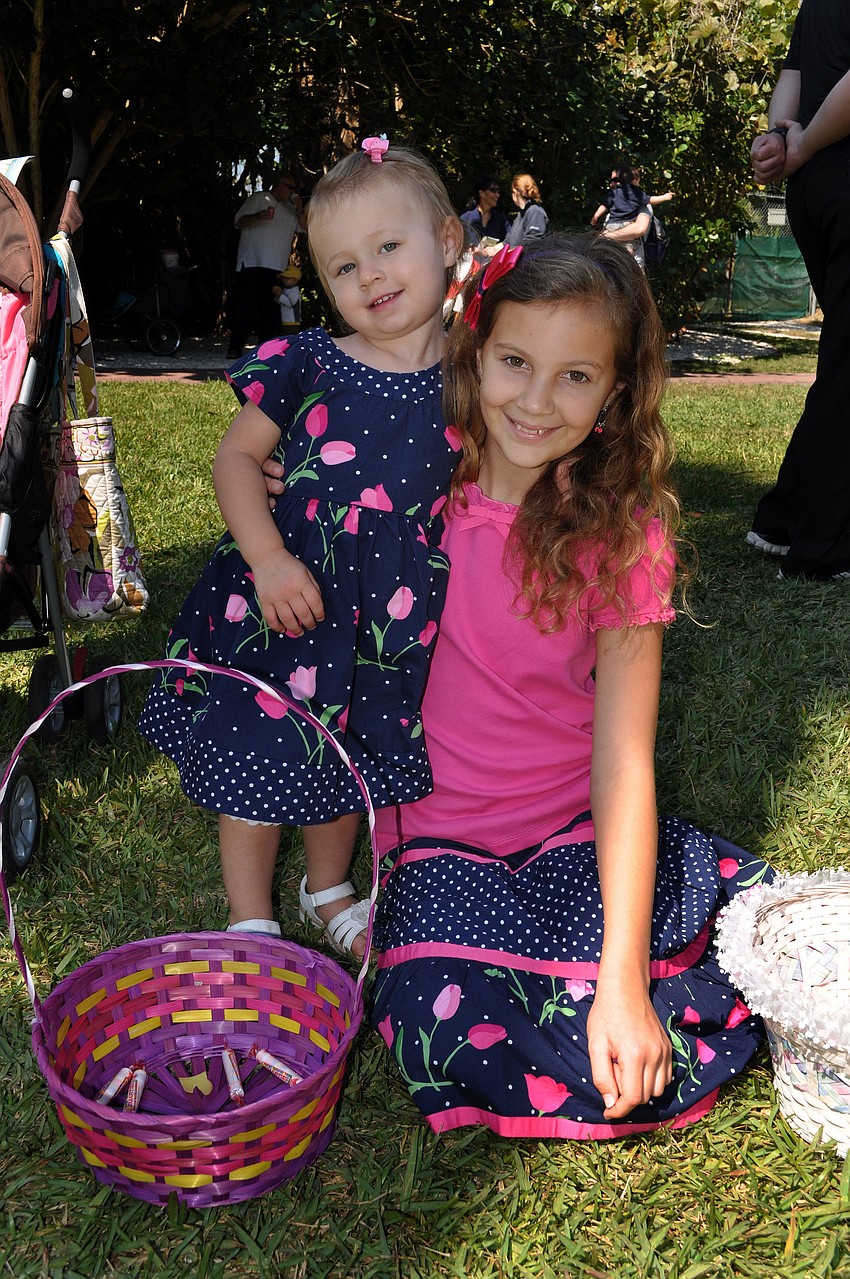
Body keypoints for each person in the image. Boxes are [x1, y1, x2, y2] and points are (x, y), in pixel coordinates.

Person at [369, 234, 773, 1137]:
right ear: (475, 352)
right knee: (439, 1024)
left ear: (618, 395)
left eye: (576, 377)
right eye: (516, 362)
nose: (537, 402)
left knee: (692, 961)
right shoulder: (402, 482)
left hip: (572, 834)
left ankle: (650, 998)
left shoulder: (622, 539)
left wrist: (623, 983)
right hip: (437, 848)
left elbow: (624, 761)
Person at [139, 138, 465, 957]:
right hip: (285, 597)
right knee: (259, 745)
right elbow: (237, 458)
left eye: (389, 247)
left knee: (349, 748)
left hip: (383, 616)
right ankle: (249, 914)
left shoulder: (474, 377)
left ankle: (330, 887)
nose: (372, 277)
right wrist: (268, 558)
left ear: (450, 241)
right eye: (343, 267)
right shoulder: (311, 359)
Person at [747, 0, 850, 581]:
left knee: (841, 364)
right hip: (835, 165)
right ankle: (823, 550)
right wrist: (801, 143)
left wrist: (777, 143)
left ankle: (783, 520)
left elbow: (794, 75)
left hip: (815, 190)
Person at [226, 173, 306, 360]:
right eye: (290, 187)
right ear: (278, 184)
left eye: (295, 189)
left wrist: (300, 208)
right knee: (245, 307)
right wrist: (260, 215)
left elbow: (304, 228)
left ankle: (265, 353)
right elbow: (239, 221)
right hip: (252, 261)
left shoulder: (291, 209)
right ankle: (235, 348)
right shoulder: (260, 198)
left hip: (276, 266)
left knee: (269, 311)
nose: (292, 192)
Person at [591, 166, 656, 267]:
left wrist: (607, 236)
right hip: (609, 263)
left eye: (616, 180)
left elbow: (639, 229)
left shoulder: (640, 202)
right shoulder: (614, 201)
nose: (612, 183)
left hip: (631, 267)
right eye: (611, 180)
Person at [459, 175, 509, 246]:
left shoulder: (501, 219)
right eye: (493, 190)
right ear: (482, 193)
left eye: (498, 191)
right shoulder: (466, 218)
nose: (497, 194)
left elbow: (511, 240)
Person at [504, 173, 549, 245]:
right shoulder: (521, 215)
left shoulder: (535, 212)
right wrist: (492, 249)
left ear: (515, 192)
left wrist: (511, 252)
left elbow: (532, 242)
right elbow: (508, 242)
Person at [273, 264, 302, 334]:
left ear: (295, 279)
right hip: (286, 321)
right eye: (283, 278)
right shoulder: (286, 289)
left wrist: (280, 295)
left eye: (288, 278)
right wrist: (277, 296)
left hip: (293, 322)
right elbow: (281, 302)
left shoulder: (295, 291)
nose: (285, 280)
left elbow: (291, 303)